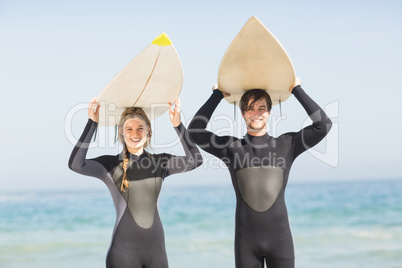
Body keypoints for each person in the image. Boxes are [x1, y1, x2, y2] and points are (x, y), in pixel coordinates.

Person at [188, 78, 332, 268]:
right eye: (250, 108)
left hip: (280, 242)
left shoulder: (287, 144)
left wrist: (296, 89)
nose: (256, 114)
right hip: (246, 244)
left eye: (261, 108)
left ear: (269, 112)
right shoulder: (232, 148)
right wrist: (217, 96)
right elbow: (194, 131)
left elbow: (323, 125)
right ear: (242, 113)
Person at [68, 98, 202, 268]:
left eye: (140, 128)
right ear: (121, 131)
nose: (135, 134)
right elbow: (76, 164)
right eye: (129, 129)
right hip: (123, 255)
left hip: (157, 254)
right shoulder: (109, 165)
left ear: (148, 130)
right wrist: (92, 123)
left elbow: (195, 160)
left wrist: (178, 125)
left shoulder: (161, 162)